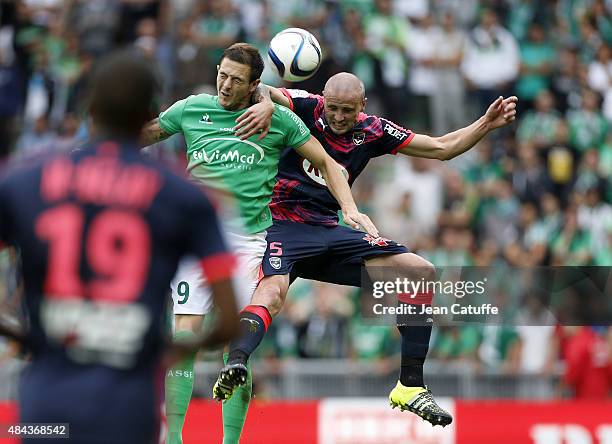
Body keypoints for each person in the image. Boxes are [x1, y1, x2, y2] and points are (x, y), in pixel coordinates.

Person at [218, 72, 518, 431]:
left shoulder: (374, 130)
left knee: (420, 272)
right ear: (323, 99)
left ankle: (410, 385)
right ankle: (235, 363)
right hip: (283, 223)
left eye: (347, 110)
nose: (339, 117)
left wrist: (485, 124)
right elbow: (263, 89)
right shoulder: (305, 105)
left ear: (363, 107)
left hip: (331, 228)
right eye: (333, 108)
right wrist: (267, 102)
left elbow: (441, 148)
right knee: (272, 293)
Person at [140, 43, 376, 444]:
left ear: (255, 86)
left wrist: (349, 208)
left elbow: (326, 163)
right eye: (222, 74)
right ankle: (174, 439)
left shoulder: (279, 120)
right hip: (195, 240)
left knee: (238, 347)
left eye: (235, 80)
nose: (225, 85)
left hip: (249, 242)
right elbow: (145, 133)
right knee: (184, 336)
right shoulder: (191, 108)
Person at [0, 52, 241, 444]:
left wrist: (25, 336)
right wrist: (155, 353)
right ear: (148, 114)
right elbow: (229, 319)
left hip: (45, 404)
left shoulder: (26, 180)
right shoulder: (185, 197)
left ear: (91, 108)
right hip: (128, 408)